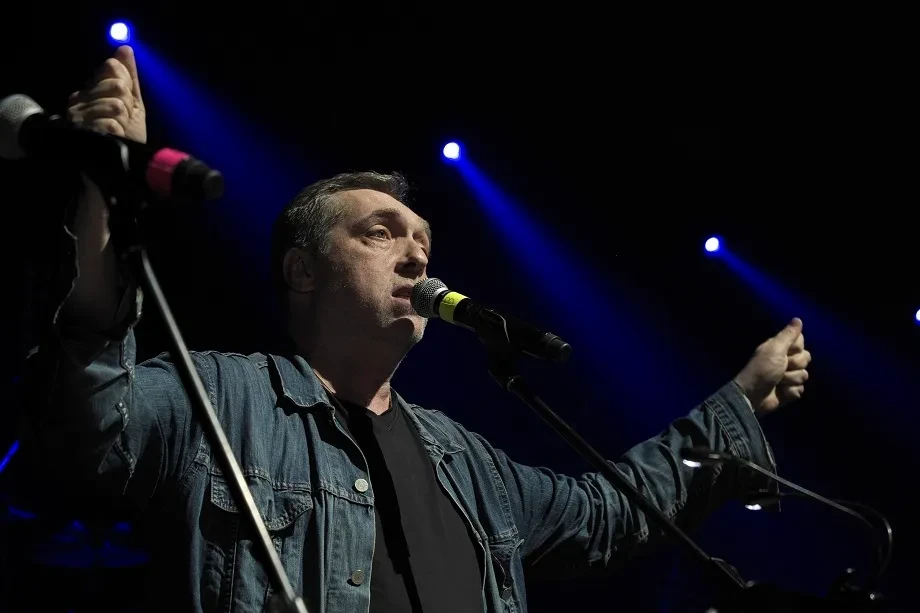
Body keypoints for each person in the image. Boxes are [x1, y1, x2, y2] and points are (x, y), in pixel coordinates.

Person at [23, 45, 811, 613]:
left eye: (424, 241)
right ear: (303, 271)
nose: (416, 254)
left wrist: (738, 399)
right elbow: (88, 422)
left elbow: (610, 511)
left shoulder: (465, 460)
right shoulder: (221, 399)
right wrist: (103, 196)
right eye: (381, 233)